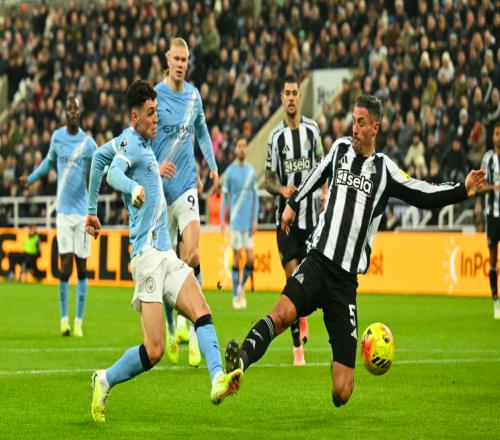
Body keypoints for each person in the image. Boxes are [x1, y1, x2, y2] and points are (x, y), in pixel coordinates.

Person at [225, 94, 485, 407]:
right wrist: (292, 204)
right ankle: (239, 362)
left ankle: (337, 357)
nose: (355, 128)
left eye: (361, 123)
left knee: (342, 392)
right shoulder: (339, 150)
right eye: (353, 121)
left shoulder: (385, 170)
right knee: (281, 314)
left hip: (344, 284)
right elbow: (316, 175)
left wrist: (461, 190)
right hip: (317, 262)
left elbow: (422, 193)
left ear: (375, 127)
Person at [86, 80, 242, 423]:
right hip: (146, 258)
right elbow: (113, 172)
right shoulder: (131, 142)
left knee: (201, 308)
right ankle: (105, 379)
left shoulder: (138, 143)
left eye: (157, 111)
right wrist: (133, 188)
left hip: (166, 254)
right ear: (135, 117)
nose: (157, 118)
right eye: (151, 113)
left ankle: (217, 378)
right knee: (154, 349)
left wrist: (92, 210)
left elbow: (98, 158)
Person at [154, 37, 219, 367]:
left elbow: (202, 132)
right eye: (176, 59)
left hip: (185, 187)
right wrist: (151, 171)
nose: (181, 64)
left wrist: (212, 164)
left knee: (191, 254)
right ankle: (172, 327)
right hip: (159, 194)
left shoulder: (193, 96)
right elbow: (143, 139)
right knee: (167, 265)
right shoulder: (155, 96)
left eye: (185, 60)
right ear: (167, 60)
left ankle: (194, 331)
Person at [20, 96, 97, 337]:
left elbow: (99, 168)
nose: (72, 112)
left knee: (81, 267)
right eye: (68, 109)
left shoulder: (88, 143)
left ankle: (79, 321)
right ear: (65, 113)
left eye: (75, 109)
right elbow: (48, 163)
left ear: (80, 113)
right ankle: (64, 319)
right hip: (63, 212)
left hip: (82, 214)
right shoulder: (57, 137)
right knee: (65, 264)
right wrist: (31, 179)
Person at [264, 74, 325, 366]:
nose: (290, 98)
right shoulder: (275, 138)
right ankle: (297, 347)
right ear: (281, 98)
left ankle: (302, 319)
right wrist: (281, 190)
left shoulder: (313, 131)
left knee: (308, 282)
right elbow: (268, 180)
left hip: (311, 222)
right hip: (286, 224)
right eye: (286, 93)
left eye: (294, 93)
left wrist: (325, 193)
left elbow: (324, 166)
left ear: (300, 97)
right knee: (292, 281)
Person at [220, 135, 259, 310]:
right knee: (236, 259)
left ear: (246, 149)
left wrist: (255, 220)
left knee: (250, 260)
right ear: (236, 149)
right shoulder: (230, 172)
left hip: (248, 223)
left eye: (244, 145)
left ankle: (241, 287)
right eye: (239, 146)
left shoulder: (251, 172)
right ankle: (235, 295)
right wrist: (223, 220)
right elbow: (225, 197)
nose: (242, 148)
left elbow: (256, 198)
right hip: (235, 222)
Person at [479, 120, 500, 319]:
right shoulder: (488, 158)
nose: (498, 137)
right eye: (496, 134)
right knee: (493, 257)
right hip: (493, 216)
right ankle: (495, 300)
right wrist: (493, 187)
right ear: (493, 137)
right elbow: (479, 186)